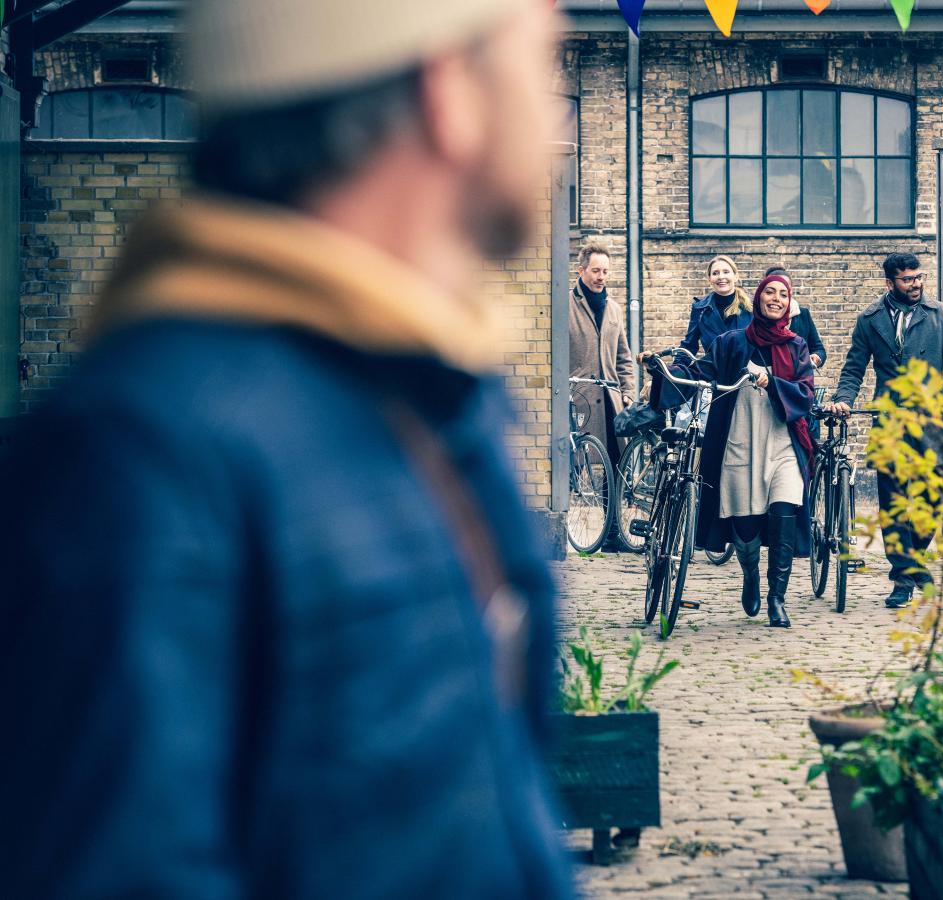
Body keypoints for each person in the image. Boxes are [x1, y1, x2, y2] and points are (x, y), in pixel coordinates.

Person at [0, 2, 575, 898]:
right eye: (544, 66)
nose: (557, 116)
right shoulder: (143, 463)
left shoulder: (417, 397)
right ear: (449, 92)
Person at [649, 274, 815, 628]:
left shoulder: (797, 344)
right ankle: (750, 573)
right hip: (739, 441)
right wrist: (665, 370)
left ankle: (776, 599)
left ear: (789, 303)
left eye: (783, 294)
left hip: (782, 441)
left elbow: (805, 393)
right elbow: (699, 369)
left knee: (785, 511)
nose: (776, 299)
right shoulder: (731, 342)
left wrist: (774, 383)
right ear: (758, 298)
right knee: (745, 525)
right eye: (770, 292)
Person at [828, 253, 943, 609]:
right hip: (890, 418)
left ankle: (911, 566)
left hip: (931, 417)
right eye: (907, 279)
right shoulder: (870, 320)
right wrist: (843, 399)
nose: (916, 284)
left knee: (933, 503)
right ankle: (902, 577)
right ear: (889, 283)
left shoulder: (939, 314)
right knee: (894, 505)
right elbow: (854, 367)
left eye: (918, 277)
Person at [570, 241, 635, 467]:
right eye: (596, 270)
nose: (601, 277)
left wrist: (628, 391)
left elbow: (623, 357)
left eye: (605, 271)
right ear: (581, 270)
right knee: (575, 462)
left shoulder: (614, 309)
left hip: (611, 397)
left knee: (615, 461)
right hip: (578, 398)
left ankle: (613, 504)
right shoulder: (563, 305)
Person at [679, 254, 754, 357]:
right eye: (715, 273)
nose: (721, 277)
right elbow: (689, 346)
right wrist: (674, 368)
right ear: (710, 279)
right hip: (713, 371)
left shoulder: (752, 307)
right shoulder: (700, 309)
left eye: (726, 272)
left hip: (747, 371)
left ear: (735, 276)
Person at [764, 265, 827, 371]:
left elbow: (818, 348)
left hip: (799, 380)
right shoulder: (756, 317)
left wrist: (816, 357)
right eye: (772, 290)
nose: (777, 296)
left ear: (791, 291)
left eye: (784, 287)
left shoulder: (803, 314)